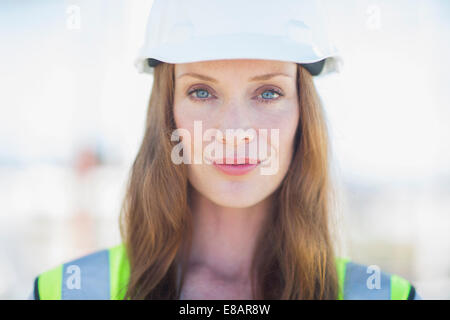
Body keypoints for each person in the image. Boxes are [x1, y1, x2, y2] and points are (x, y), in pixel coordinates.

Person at [29, 0, 421, 300]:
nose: (234, 132)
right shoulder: (67, 292)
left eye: (269, 92)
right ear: (167, 113)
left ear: (304, 115)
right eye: (202, 91)